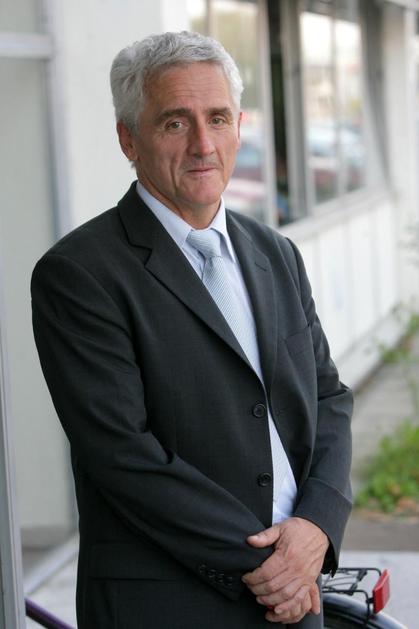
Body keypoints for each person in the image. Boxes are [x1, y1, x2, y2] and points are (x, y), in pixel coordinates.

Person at [31, 31, 353, 628]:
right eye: (175, 123)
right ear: (128, 139)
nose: (203, 144)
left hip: (296, 590)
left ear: (239, 127)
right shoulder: (79, 274)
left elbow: (328, 398)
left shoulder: (275, 252)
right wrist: (275, 568)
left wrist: (317, 526)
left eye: (218, 118)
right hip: (169, 604)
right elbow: (123, 454)